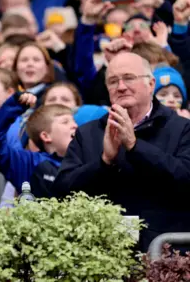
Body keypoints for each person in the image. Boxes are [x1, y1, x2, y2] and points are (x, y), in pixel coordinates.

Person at [54, 52, 190, 251]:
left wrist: (135, 147)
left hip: (166, 255)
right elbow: (62, 192)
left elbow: (185, 179)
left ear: (151, 84)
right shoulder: (88, 133)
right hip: (100, 255)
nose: (121, 86)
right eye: (113, 81)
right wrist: (105, 162)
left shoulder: (182, 128)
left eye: (129, 78)